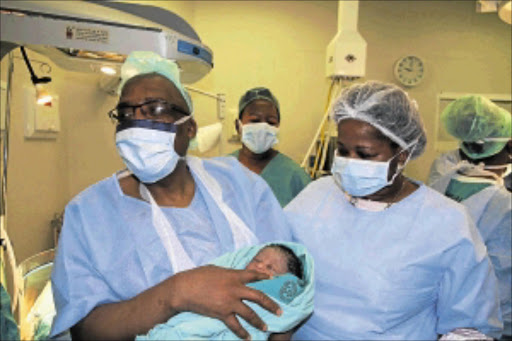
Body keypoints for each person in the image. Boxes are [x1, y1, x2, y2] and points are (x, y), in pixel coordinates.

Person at [49, 51, 294, 341]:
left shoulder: (239, 185)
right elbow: (85, 329)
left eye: (155, 109)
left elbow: (290, 285)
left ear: (189, 128)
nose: (137, 123)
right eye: (126, 114)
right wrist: (176, 294)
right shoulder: (89, 213)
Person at [285, 81, 503, 340]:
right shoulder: (316, 197)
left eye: (365, 154)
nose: (350, 162)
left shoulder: (445, 223)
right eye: (342, 151)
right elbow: (273, 268)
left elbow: (470, 327)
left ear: (402, 156)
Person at [428, 95, 511, 339]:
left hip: (433, 319)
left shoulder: (438, 186)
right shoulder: (504, 206)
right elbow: (501, 292)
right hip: (484, 327)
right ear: (509, 146)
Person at [137, 242, 314, 340]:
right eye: (257, 260)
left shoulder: (277, 298)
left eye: (270, 267)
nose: (259, 266)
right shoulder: (229, 279)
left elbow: (281, 317)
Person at [230, 87, 311, 207]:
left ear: (277, 128)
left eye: (271, 122)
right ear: (238, 126)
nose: (263, 127)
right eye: (255, 121)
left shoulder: (294, 177)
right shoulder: (223, 170)